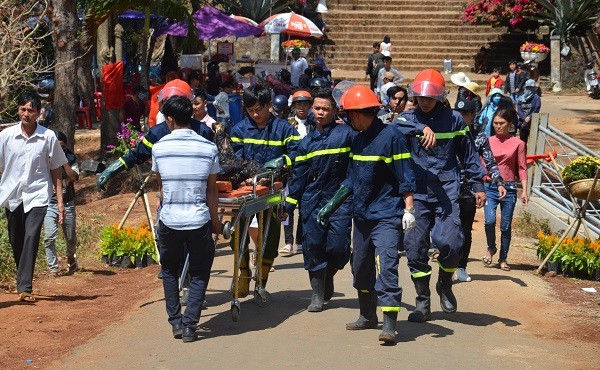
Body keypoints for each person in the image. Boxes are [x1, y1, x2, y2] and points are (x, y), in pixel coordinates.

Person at [317, 85, 415, 343]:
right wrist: (330, 207)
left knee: (387, 267)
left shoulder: (392, 137)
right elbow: (351, 180)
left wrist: (408, 209)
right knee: (360, 267)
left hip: (386, 216)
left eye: (349, 115)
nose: (348, 120)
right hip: (361, 217)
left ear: (360, 113)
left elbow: (405, 175)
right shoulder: (358, 140)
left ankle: (390, 325)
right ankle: (367, 316)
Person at [394, 69, 486, 322]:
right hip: (418, 193)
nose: (425, 101)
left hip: (446, 190)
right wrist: (421, 126)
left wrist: (478, 185)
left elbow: (468, 155)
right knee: (414, 248)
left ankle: (444, 283)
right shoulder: (407, 118)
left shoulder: (454, 120)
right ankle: (422, 302)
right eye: (421, 97)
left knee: (451, 244)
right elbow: (395, 127)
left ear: (439, 96)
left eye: (430, 97)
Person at [152, 95, 221, 343]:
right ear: (190, 116)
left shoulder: (158, 148)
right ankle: (190, 325)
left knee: (169, 269)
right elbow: (211, 191)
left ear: (169, 119)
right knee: (200, 271)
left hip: (169, 218)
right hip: (199, 218)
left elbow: (161, 187)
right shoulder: (208, 148)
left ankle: (176, 323)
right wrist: (215, 222)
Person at [283, 88, 354, 312]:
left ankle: (328, 273)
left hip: (340, 199)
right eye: (317, 108)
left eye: (325, 108)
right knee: (313, 246)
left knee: (339, 248)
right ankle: (317, 292)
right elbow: (299, 176)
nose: (320, 112)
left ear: (334, 110)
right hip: (312, 200)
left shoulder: (346, 135)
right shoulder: (307, 143)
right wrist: (290, 203)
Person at [229, 84, 300, 297]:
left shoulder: (285, 129)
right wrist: (244, 175)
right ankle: (242, 275)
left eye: (260, 108)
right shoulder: (239, 129)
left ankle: (261, 279)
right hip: (244, 193)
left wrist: (280, 163)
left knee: (270, 240)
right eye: (251, 110)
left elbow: (298, 155)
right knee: (237, 234)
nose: (256, 114)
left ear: (270, 105)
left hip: (273, 192)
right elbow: (233, 160)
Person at [0, 91, 68, 302]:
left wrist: (60, 202)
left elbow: (56, 169)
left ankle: (25, 287)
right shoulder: (6, 136)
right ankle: (23, 278)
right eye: (23, 109)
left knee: (31, 235)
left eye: (31, 110)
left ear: (39, 113)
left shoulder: (48, 137)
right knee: (16, 239)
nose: (26, 114)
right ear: (18, 110)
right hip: (12, 195)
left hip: (38, 196)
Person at [97, 79, 214, 190]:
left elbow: (214, 165)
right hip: (169, 193)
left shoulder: (203, 132)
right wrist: (111, 170)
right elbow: (137, 154)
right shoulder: (157, 133)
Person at [453, 98, 506, 282]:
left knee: (465, 230)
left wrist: (498, 181)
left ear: (473, 116)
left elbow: (490, 162)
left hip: (469, 191)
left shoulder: (480, 137)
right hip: (447, 189)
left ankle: (461, 267)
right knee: (448, 230)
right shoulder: (447, 133)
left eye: (465, 114)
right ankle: (447, 263)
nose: (460, 117)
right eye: (457, 113)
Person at [483, 106, 528, 272]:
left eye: (502, 123)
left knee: (505, 225)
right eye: (495, 123)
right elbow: (481, 164)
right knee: (489, 220)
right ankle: (491, 247)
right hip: (490, 186)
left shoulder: (518, 144)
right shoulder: (487, 141)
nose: (498, 126)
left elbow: (522, 167)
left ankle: (503, 258)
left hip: (509, 187)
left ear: (510, 124)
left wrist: (524, 190)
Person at [280, 90, 315, 257]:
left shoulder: (314, 123)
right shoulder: (286, 125)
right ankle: (288, 242)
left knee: (304, 206)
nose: (302, 107)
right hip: (291, 171)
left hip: (309, 170)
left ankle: (300, 241)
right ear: (293, 106)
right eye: (298, 104)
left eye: (305, 104)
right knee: (288, 204)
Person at [44, 131, 80, 276]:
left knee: (70, 237)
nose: (60, 149)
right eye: (56, 147)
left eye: (62, 146)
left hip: (68, 203)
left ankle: (71, 258)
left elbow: (73, 177)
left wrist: (63, 161)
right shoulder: (44, 159)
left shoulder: (71, 158)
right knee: (49, 236)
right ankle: (53, 268)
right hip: (49, 203)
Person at [516, 79, 541, 144]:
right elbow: (519, 110)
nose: (529, 89)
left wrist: (529, 117)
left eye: (531, 88)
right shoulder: (521, 98)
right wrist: (524, 118)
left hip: (533, 122)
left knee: (533, 142)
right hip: (523, 123)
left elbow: (537, 108)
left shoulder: (536, 98)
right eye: (527, 87)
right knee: (523, 142)